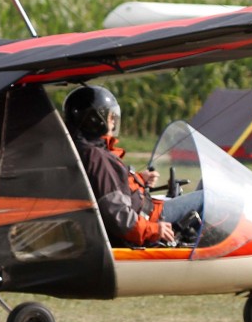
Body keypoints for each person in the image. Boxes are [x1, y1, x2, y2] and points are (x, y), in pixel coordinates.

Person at [64, 85, 201, 248]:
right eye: (109, 117)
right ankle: (206, 251)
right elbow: (116, 213)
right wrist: (154, 230)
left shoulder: (85, 150)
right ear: (96, 120)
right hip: (149, 220)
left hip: (146, 214)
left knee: (204, 187)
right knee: (206, 197)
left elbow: (110, 186)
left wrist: (139, 179)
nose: (113, 122)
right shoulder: (97, 157)